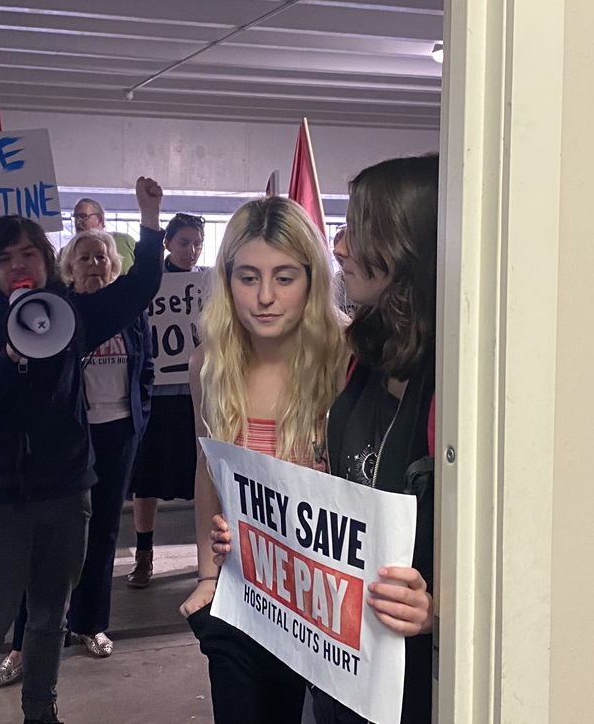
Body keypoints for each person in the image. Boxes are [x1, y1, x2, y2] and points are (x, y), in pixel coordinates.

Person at [211, 155, 441, 723]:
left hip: (393, 665)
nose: (341, 246)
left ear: (402, 248)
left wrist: (443, 606)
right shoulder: (369, 355)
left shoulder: (444, 383)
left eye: (358, 232)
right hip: (327, 635)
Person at [0, 178, 165, 724]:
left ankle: (40, 711)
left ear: (46, 260)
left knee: (50, 613)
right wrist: (10, 356)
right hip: (1, 495)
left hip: (68, 490)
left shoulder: (73, 313)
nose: (19, 264)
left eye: (29, 253)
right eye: (5, 258)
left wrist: (150, 220)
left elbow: (139, 287)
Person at [179, 197, 349, 724]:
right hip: (245, 592)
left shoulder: (348, 357)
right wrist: (208, 577)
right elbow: (207, 470)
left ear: (313, 278)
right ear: (227, 280)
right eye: (249, 277)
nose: (266, 297)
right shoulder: (209, 364)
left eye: (285, 277)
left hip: (331, 600)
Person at [0, 229, 155, 688]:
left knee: (102, 533)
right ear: (69, 267)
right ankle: (25, 644)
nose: (95, 264)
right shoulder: (57, 312)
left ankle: (90, 623)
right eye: (85, 257)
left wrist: (139, 417)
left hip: (118, 431)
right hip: (67, 443)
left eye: (101, 256)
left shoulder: (128, 313)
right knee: (44, 549)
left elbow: (146, 367)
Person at [126, 212, 206, 587]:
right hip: (156, 390)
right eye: (184, 242)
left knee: (203, 474)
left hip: (197, 391)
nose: (191, 250)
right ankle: (144, 555)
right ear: (168, 243)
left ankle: (207, 557)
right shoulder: (149, 281)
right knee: (148, 475)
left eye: (197, 243)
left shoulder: (209, 284)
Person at [62, 197, 137, 274]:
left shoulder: (125, 241)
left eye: (83, 216)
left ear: (100, 219)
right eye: (75, 217)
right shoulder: (66, 252)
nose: (78, 222)